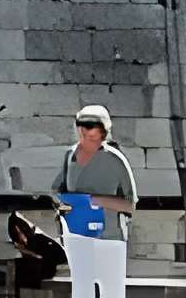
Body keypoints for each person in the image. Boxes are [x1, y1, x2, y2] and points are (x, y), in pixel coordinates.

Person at [53, 103, 135, 298]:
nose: (84, 136)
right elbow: (57, 190)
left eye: (90, 131)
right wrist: (62, 205)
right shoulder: (70, 155)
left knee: (112, 292)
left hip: (109, 238)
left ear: (102, 132)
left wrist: (95, 200)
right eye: (81, 129)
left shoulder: (115, 160)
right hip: (77, 235)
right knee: (81, 291)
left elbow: (130, 205)